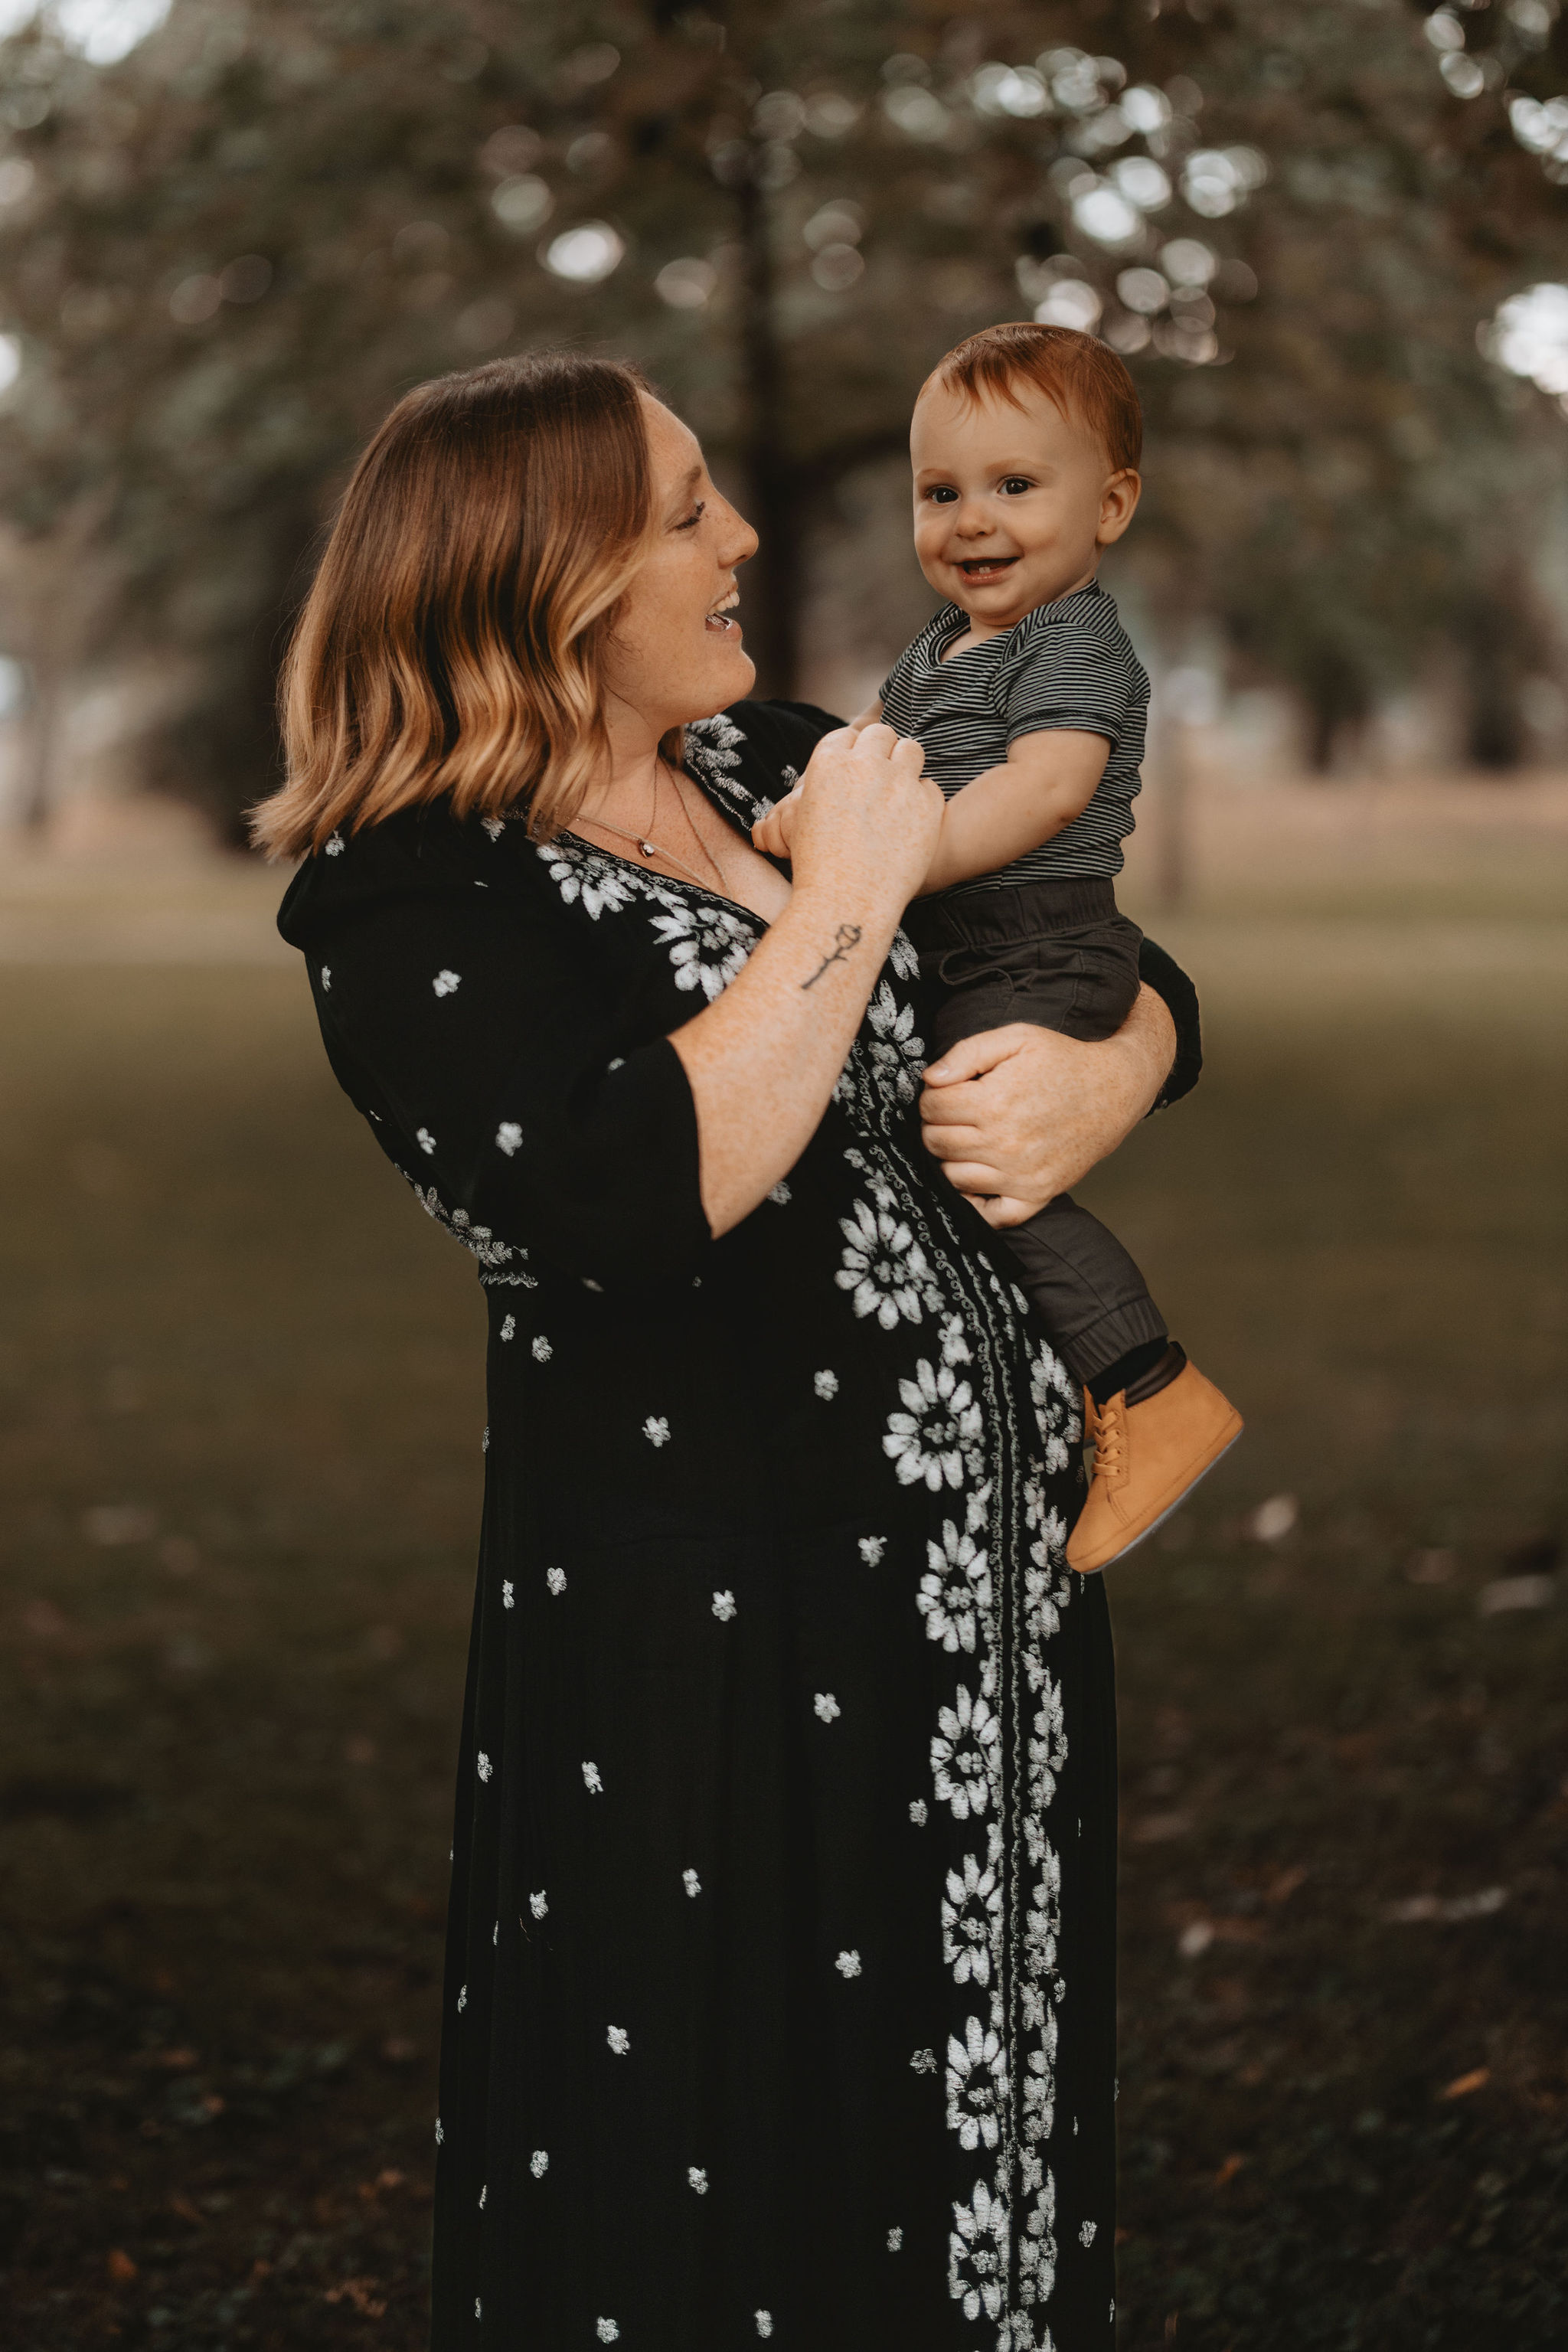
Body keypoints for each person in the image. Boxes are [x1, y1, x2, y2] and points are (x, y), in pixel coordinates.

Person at [256, 351, 1198, 2350]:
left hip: (978, 1609)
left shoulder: (772, 762)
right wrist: (844, 908)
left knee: (982, 2085)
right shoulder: (421, 889)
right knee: (722, 2110)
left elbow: (1091, 942)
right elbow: (628, 1192)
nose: (744, 542)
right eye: (688, 511)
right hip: (704, 1630)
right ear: (548, 571)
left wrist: (1122, 1070)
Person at [755, 322, 1241, 1576]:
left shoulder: (1071, 641)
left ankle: (1148, 1385)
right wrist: (802, 810)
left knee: (979, 1153)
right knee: (947, 1147)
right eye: (941, 492)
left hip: (1045, 940)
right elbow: (860, 753)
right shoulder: (935, 651)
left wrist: (887, 855)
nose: (972, 521)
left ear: (1112, 504)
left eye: (1016, 487)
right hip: (973, 947)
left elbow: (1046, 793)